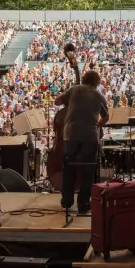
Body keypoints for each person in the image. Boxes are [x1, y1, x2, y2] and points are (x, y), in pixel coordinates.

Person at [54, 69, 109, 214]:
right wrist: (97, 125)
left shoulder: (74, 90)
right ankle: (84, 204)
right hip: (89, 137)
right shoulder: (99, 96)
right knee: (88, 170)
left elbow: (57, 101)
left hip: (70, 135)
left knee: (68, 168)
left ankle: (67, 201)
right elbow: (106, 117)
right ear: (97, 82)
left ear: (84, 79)